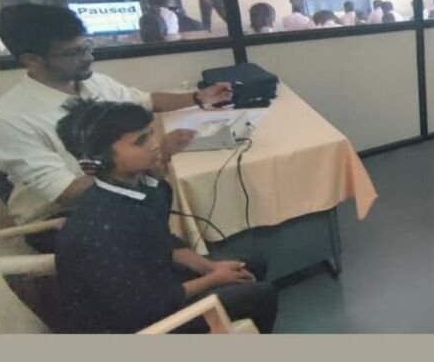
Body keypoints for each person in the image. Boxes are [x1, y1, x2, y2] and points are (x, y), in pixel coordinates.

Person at [0, 4, 233, 232]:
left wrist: (198, 97)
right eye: (74, 52)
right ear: (32, 60)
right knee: (185, 204)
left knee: (204, 196)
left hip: (125, 194)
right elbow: (67, 193)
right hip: (65, 219)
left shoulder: (93, 83)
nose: (88, 57)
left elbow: (147, 101)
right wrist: (154, 153)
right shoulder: (10, 118)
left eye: (87, 46)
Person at [54, 99, 277, 333]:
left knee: (252, 262)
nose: (154, 144)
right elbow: (145, 306)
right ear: (99, 161)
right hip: (132, 323)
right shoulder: (104, 227)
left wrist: (209, 267)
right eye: (141, 141)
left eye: (150, 134)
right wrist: (213, 279)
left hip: (154, 282)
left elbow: (163, 243)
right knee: (260, 295)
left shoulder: (145, 187)